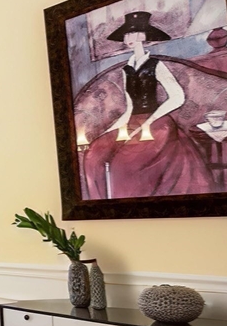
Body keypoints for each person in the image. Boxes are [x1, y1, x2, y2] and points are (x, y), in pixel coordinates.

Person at [82, 11, 213, 199]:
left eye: (134, 33)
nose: (129, 38)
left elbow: (177, 97)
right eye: (127, 34)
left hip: (159, 123)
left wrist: (149, 121)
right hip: (132, 122)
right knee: (93, 155)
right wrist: (108, 131)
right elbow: (129, 107)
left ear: (144, 37)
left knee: (124, 163)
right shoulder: (127, 69)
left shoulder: (155, 64)